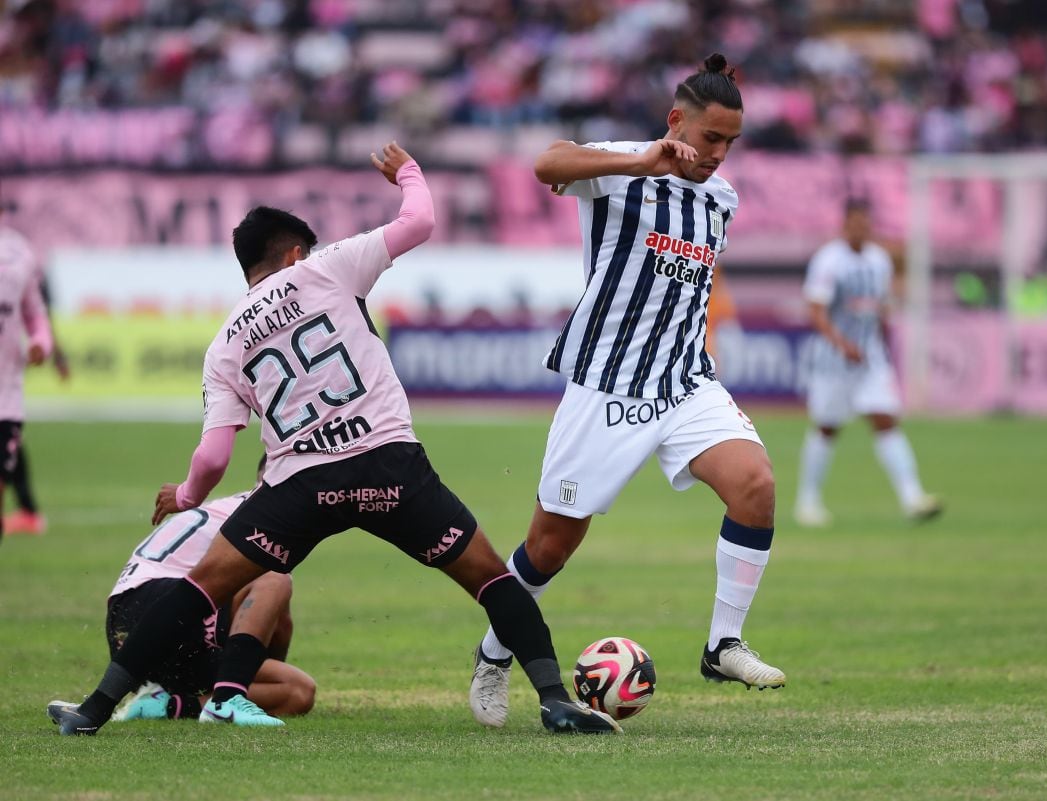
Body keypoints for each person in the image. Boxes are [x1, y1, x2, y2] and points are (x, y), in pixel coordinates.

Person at [47, 141, 619, 736]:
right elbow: (419, 220)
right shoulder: (324, 269)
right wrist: (409, 173)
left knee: (199, 589)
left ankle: (92, 710)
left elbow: (214, 456)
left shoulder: (223, 346)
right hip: (389, 467)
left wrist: (189, 496)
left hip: (300, 485)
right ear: (295, 252)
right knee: (492, 578)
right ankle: (554, 702)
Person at [469, 54, 785, 730]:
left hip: (683, 380)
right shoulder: (622, 164)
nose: (720, 154)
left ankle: (722, 643)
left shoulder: (722, 199)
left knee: (755, 485)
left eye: (731, 142)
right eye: (710, 139)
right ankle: (495, 653)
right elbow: (547, 164)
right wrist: (642, 162)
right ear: (678, 121)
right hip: (607, 382)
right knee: (549, 547)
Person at [50, 455, 315, 724]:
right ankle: (228, 700)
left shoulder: (239, 509)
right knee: (275, 580)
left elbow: (277, 623)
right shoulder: (261, 513)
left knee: (297, 691)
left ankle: (169, 705)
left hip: (135, 622)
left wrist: (262, 670)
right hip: (154, 605)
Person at [793, 199, 942, 527]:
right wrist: (842, 344)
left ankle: (912, 497)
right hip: (833, 361)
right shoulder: (829, 261)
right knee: (827, 427)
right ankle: (807, 500)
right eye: (855, 223)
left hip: (870, 359)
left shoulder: (879, 260)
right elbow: (816, 311)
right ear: (845, 225)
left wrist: (883, 342)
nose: (861, 229)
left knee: (885, 420)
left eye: (866, 223)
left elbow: (881, 308)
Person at [0, 223, 53, 546]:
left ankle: (29, 511)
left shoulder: (18, 255)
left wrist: (40, 343)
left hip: (4, 400)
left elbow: (35, 314)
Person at [5, 275, 69, 536]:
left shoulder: (20, 264)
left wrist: (56, 354)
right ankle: (28, 510)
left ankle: (29, 511)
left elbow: (38, 316)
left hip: (9, 364)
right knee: (9, 434)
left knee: (7, 430)